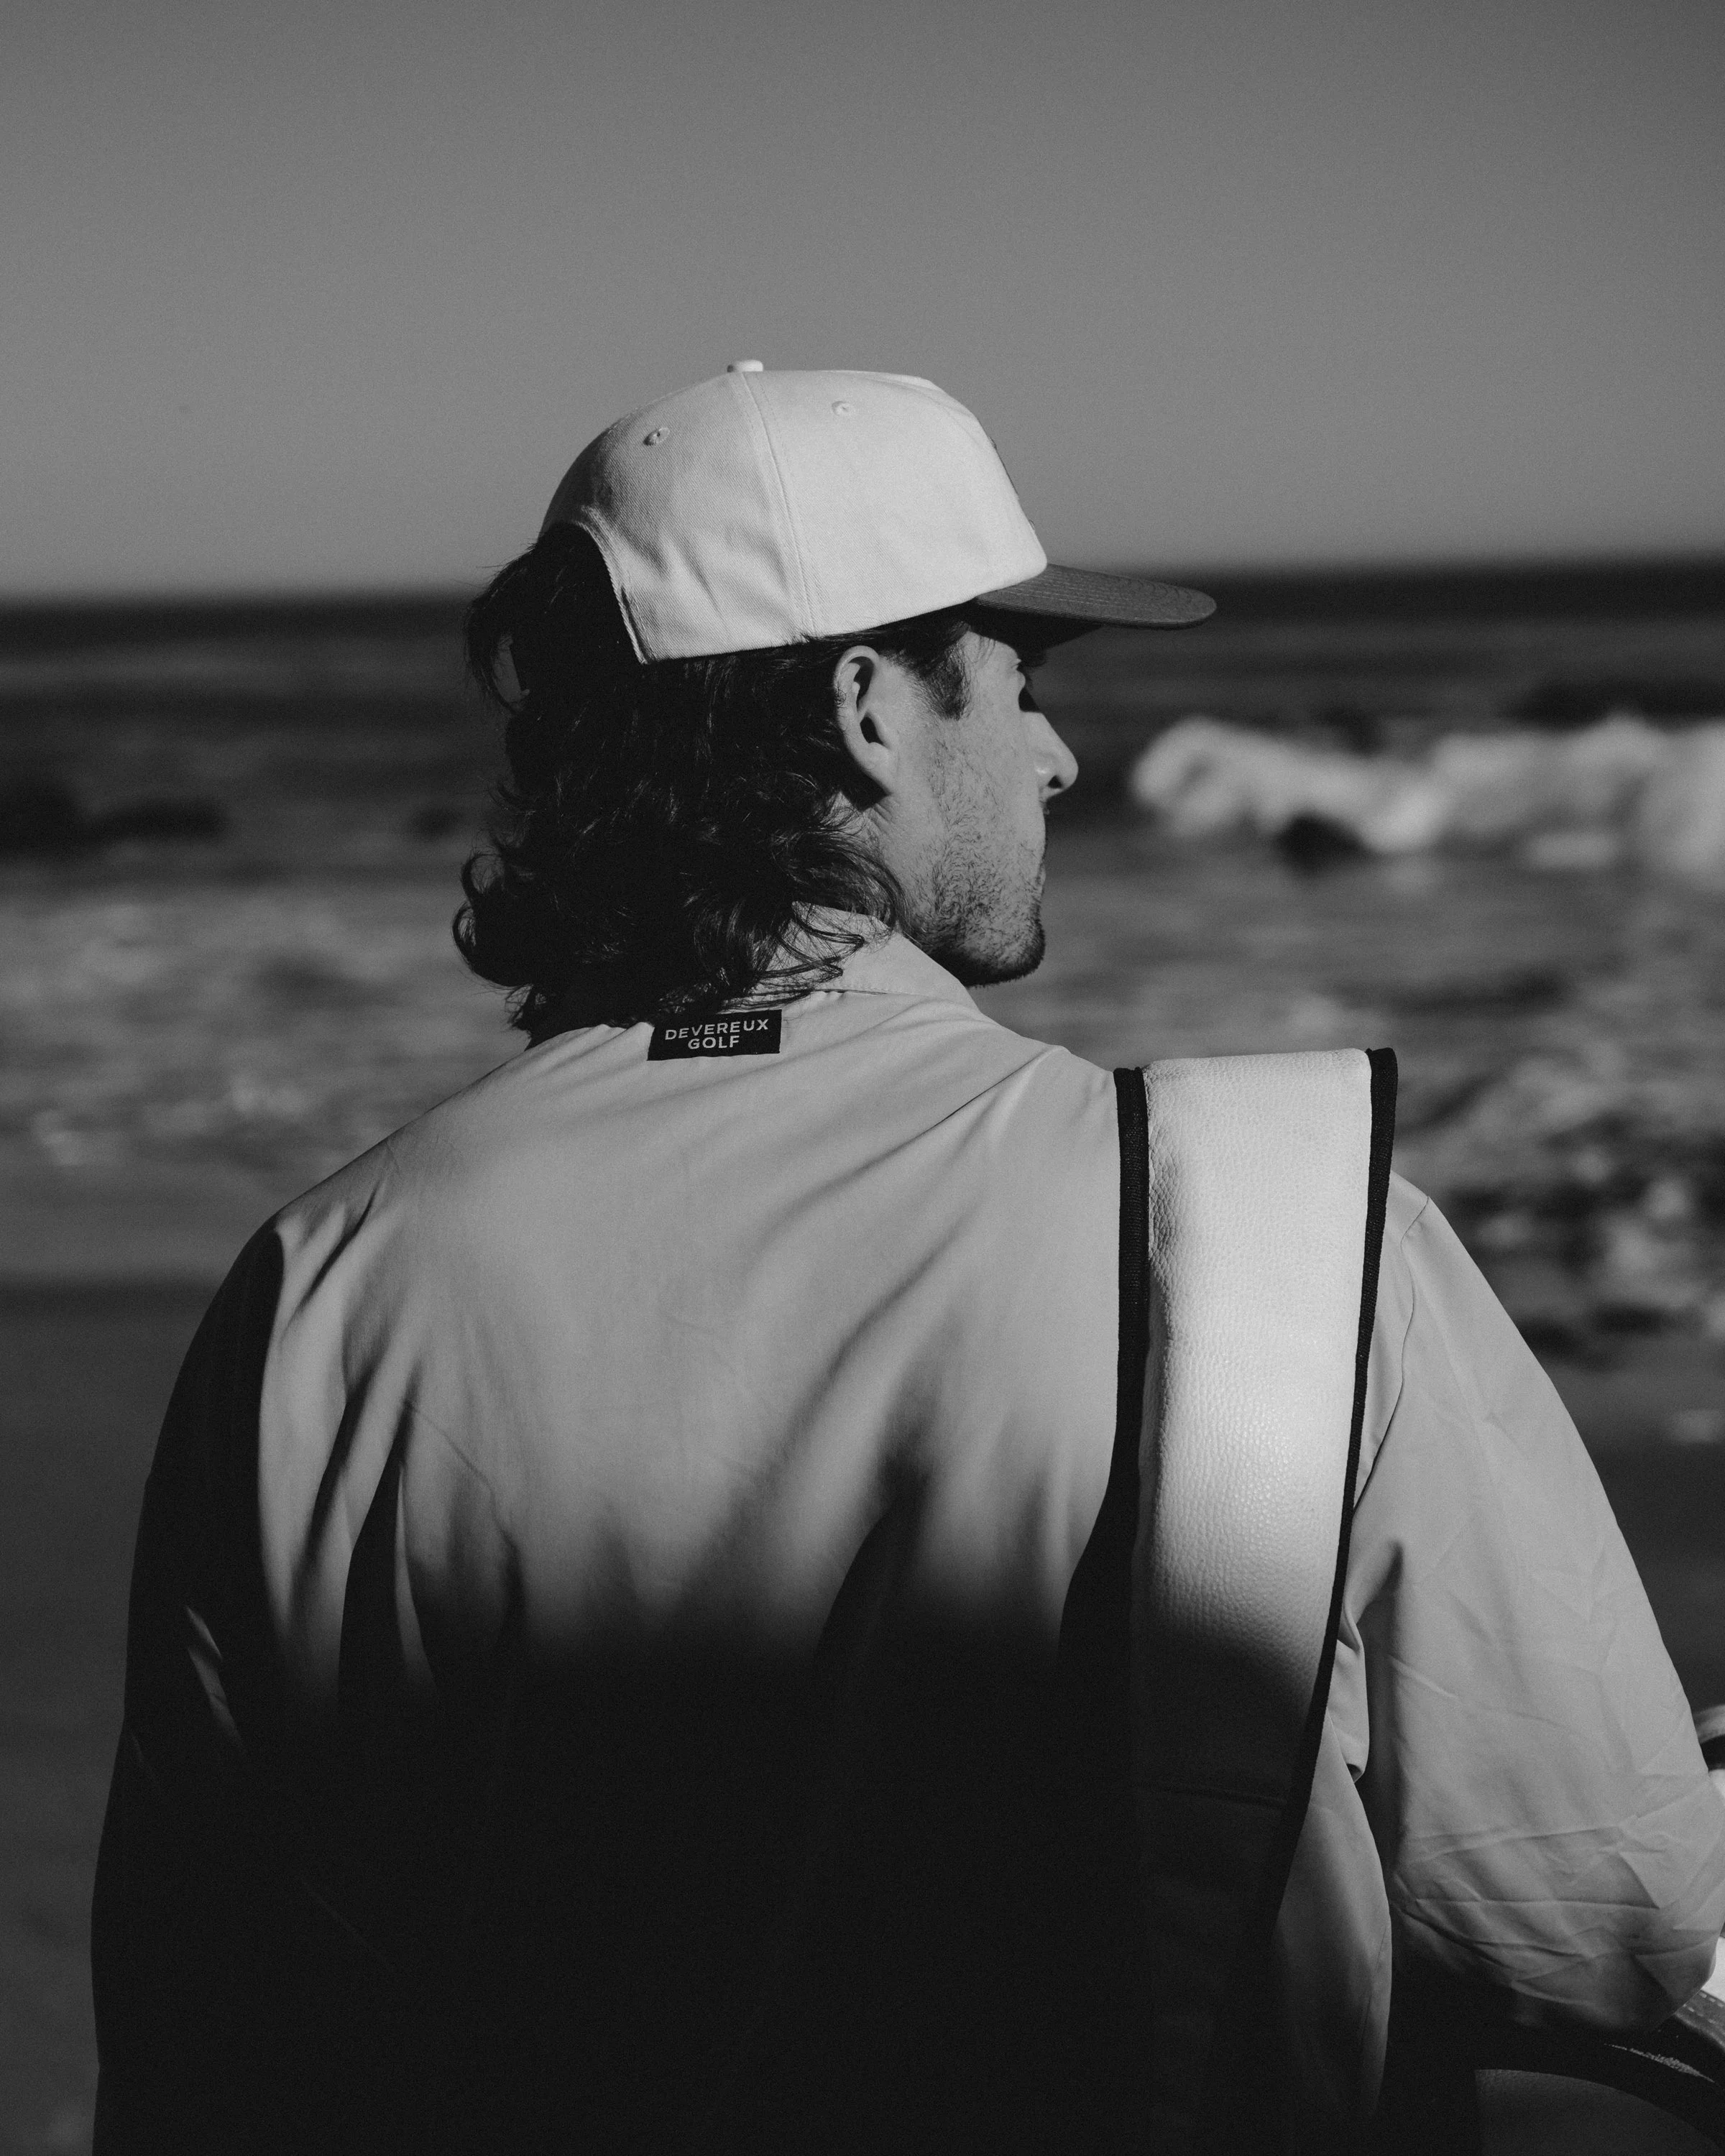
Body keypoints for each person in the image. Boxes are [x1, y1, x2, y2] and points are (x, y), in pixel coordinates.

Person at [91, 365, 1725, 2154]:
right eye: (1018, 685)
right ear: (871, 707)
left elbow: (204, 2017)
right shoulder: (1269, 1225)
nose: (1059, 756)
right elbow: (1604, 1921)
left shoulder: (323, 1285)